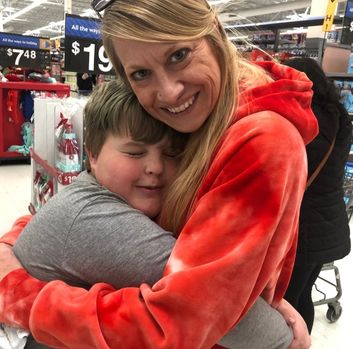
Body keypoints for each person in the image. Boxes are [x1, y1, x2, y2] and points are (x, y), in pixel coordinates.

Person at [0, 1, 318, 348]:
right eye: (140, 74)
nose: (168, 92)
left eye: (179, 54)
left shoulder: (256, 140)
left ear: (213, 32)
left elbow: (191, 310)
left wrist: (20, 293)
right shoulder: (201, 115)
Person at [282, 57, 352, 333]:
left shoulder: (304, 119)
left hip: (303, 227)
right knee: (303, 294)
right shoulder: (338, 115)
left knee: (287, 301)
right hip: (330, 220)